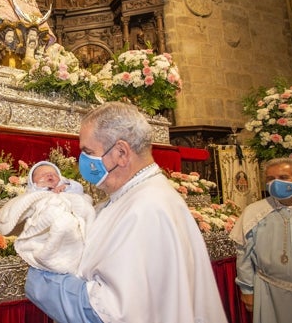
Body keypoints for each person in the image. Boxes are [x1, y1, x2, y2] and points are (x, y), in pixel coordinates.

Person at [24, 102, 228, 323]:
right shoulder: (138, 196)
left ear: (121, 153)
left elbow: (110, 313)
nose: (83, 161)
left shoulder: (145, 209)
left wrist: (41, 280)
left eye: (88, 152)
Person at [229, 157, 292, 322]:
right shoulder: (254, 212)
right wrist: (247, 289)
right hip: (269, 292)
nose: (276, 183)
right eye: (270, 179)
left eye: (283, 178)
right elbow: (244, 254)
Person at [0, 161, 94, 274]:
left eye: (54, 174)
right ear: (33, 183)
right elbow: (26, 201)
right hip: (46, 226)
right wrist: (40, 188)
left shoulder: (67, 187)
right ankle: (48, 255)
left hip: (70, 219)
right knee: (60, 225)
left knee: (69, 224)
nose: (49, 175)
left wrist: (66, 186)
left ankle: (74, 255)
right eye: (42, 175)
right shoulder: (35, 192)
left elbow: (79, 191)